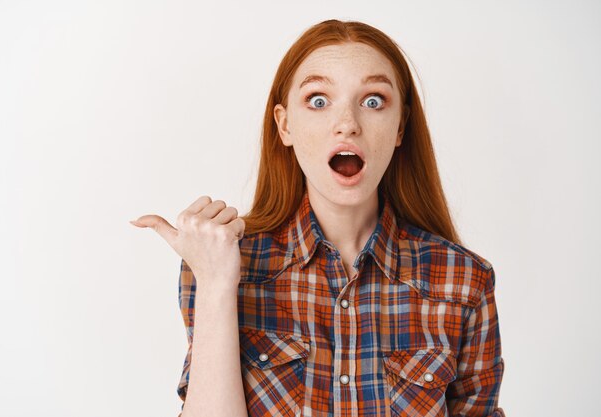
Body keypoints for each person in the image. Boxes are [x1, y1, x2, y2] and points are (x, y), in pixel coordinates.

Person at [131, 18, 506, 417]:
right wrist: (216, 284)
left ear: (400, 128)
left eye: (373, 100)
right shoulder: (222, 265)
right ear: (285, 124)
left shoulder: (464, 281)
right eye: (319, 100)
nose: (347, 124)